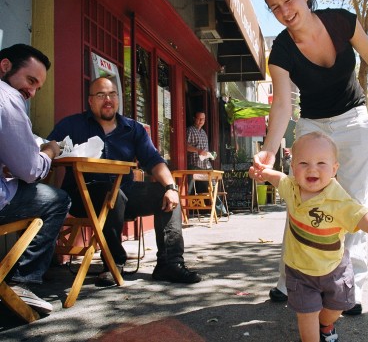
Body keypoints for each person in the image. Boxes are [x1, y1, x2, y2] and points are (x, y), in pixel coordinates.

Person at [251, 0, 368, 316]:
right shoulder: (280, 50)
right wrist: (268, 149)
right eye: (274, 7)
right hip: (311, 124)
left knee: (353, 203)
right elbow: (282, 105)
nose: (284, 12)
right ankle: (287, 280)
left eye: (288, 0)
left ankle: (350, 286)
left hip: (354, 121)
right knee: (301, 199)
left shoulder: (341, 21)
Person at [48, 77, 201, 287]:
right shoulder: (72, 125)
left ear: (118, 100)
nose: (107, 99)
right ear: (90, 101)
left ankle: (170, 264)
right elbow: (50, 150)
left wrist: (171, 187)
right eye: (101, 95)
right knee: (113, 194)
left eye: (112, 95)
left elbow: (154, 161)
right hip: (83, 195)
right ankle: (113, 262)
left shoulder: (133, 128)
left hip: (125, 191)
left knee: (164, 194)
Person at [250, 132, 368, 342]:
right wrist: (263, 172)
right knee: (307, 315)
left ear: (334, 169)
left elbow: (360, 214)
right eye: (303, 163)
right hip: (299, 271)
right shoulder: (291, 187)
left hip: (334, 269)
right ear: (293, 167)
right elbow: (278, 178)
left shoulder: (337, 199)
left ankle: (326, 323)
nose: (312, 169)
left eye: (321, 163)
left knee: (336, 308)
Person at [0, 44, 71, 314]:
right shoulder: (7, 97)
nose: (31, 92)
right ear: (5, 66)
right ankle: (22, 282)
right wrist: (50, 151)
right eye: (30, 81)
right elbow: (29, 169)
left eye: (37, 88)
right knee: (56, 199)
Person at [186, 111, 229, 216]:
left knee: (213, 187)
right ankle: (183, 212)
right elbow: (185, 146)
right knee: (188, 189)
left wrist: (210, 155)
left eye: (203, 119)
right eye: (199, 119)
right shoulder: (190, 130)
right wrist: (197, 150)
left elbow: (205, 151)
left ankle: (221, 211)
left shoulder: (204, 133)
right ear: (194, 118)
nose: (201, 121)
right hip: (194, 165)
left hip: (205, 165)